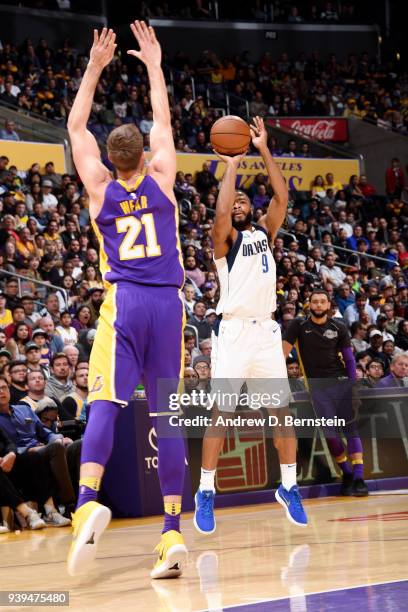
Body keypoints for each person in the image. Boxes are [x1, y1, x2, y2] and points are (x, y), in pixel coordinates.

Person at [66, 23, 187, 578]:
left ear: (111, 158)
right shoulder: (163, 176)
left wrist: (95, 66)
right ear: (144, 152)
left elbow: (74, 126)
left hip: (126, 303)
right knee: (169, 417)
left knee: (105, 405)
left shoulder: (98, 187)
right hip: (168, 305)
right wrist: (154, 65)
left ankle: (87, 499)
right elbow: (163, 120)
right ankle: (170, 534)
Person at [194, 116, 307, 536]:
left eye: (244, 200)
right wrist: (232, 164)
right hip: (235, 331)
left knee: (282, 412)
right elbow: (221, 211)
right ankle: (206, 491)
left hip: (266, 331)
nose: (238, 204)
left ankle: (289, 486)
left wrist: (262, 149)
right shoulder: (222, 240)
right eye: (234, 201)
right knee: (221, 412)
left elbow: (282, 195)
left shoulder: (265, 232)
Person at [283, 290, 368, 497]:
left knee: (350, 430)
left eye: (323, 302)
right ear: (309, 304)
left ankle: (359, 476)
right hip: (317, 388)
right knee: (330, 434)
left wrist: (353, 388)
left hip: (341, 384)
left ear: (328, 305)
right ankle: (346, 473)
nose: (319, 305)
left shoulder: (339, 326)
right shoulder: (298, 325)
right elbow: (281, 354)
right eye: (315, 301)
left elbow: (349, 360)